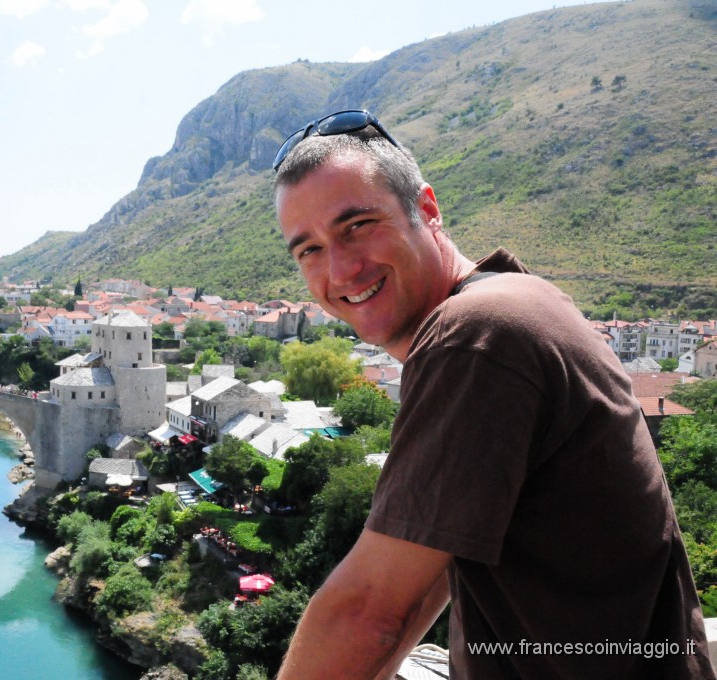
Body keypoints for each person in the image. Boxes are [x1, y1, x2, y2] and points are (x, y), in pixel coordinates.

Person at [270, 110, 715, 679]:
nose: (341, 268)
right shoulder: (512, 299)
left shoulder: (477, 335)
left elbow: (370, 611)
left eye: (358, 224)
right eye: (308, 249)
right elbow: (428, 560)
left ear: (426, 210)